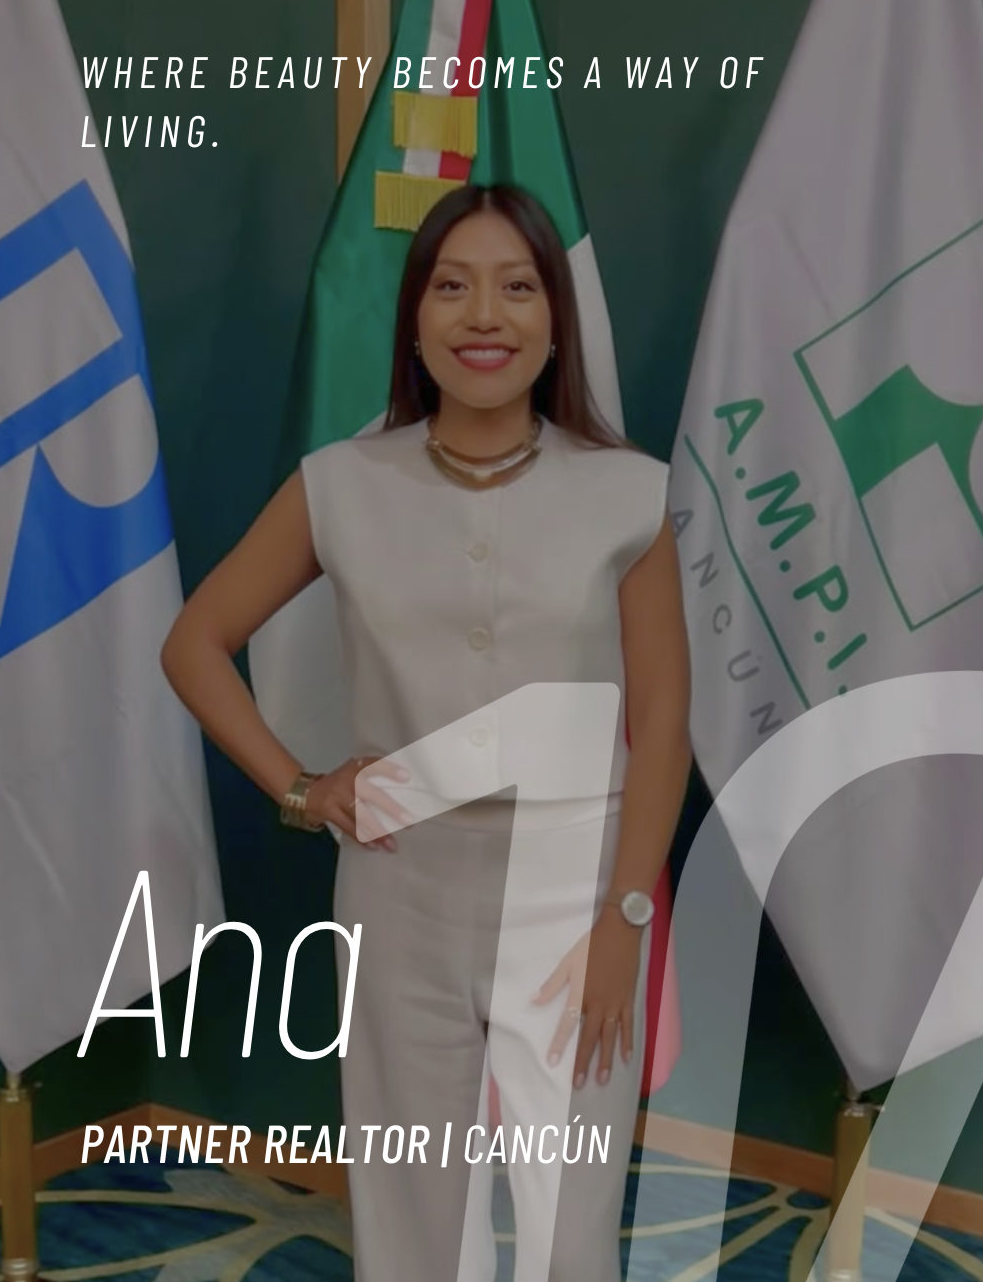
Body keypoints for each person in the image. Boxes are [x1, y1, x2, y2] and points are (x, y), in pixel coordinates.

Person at [161, 182, 692, 1282]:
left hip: (576, 887)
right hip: (401, 882)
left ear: (556, 321)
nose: (483, 316)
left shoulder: (629, 495)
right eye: (452, 287)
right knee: (409, 1214)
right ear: (413, 321)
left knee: (570, 1221)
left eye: (516, 287)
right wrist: (303, 790)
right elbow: (194, 645)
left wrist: (625, 921)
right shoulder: (341, 485)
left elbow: (667, 721)